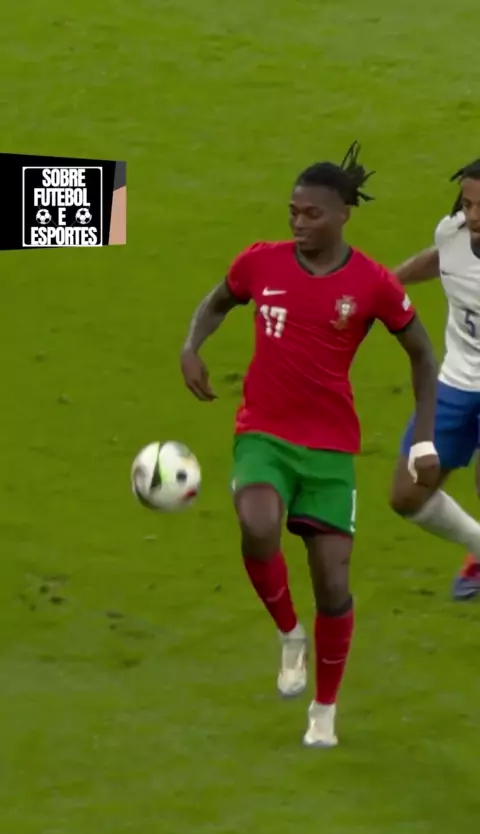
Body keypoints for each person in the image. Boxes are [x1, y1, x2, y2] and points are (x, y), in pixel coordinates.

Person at [180, 142, 439, 748]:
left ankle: (324, 709)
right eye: (293, 212)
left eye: (312, 214)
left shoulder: (372, 283)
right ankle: (288, 632)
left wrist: (423, 440)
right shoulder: (260, 263)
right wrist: (192, 347)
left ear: (343, 215)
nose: (298, 223)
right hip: (263, 432)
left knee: (333, 585)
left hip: (329, 448)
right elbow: (217, 302)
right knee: (257, 523)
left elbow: (422, 353)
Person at [391, 159, 480, 601]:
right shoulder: (453, 233)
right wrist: (387, 283)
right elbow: (440, 258)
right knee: (407, 495)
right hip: (457, 381)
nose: (472, 216)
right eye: (467, 203)